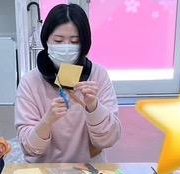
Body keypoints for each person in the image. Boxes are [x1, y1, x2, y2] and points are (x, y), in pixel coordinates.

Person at [14, 3, 121, 163]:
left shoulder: (98, 76)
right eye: (58, 40)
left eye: (74, 41)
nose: (66, 48)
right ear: (46, 40)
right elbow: (30, 148)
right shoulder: (30, 82)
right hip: (45, 170)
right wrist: (47, 120)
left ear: (84, 44)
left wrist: (94, 107)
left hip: (89, 169)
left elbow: (108, 140)